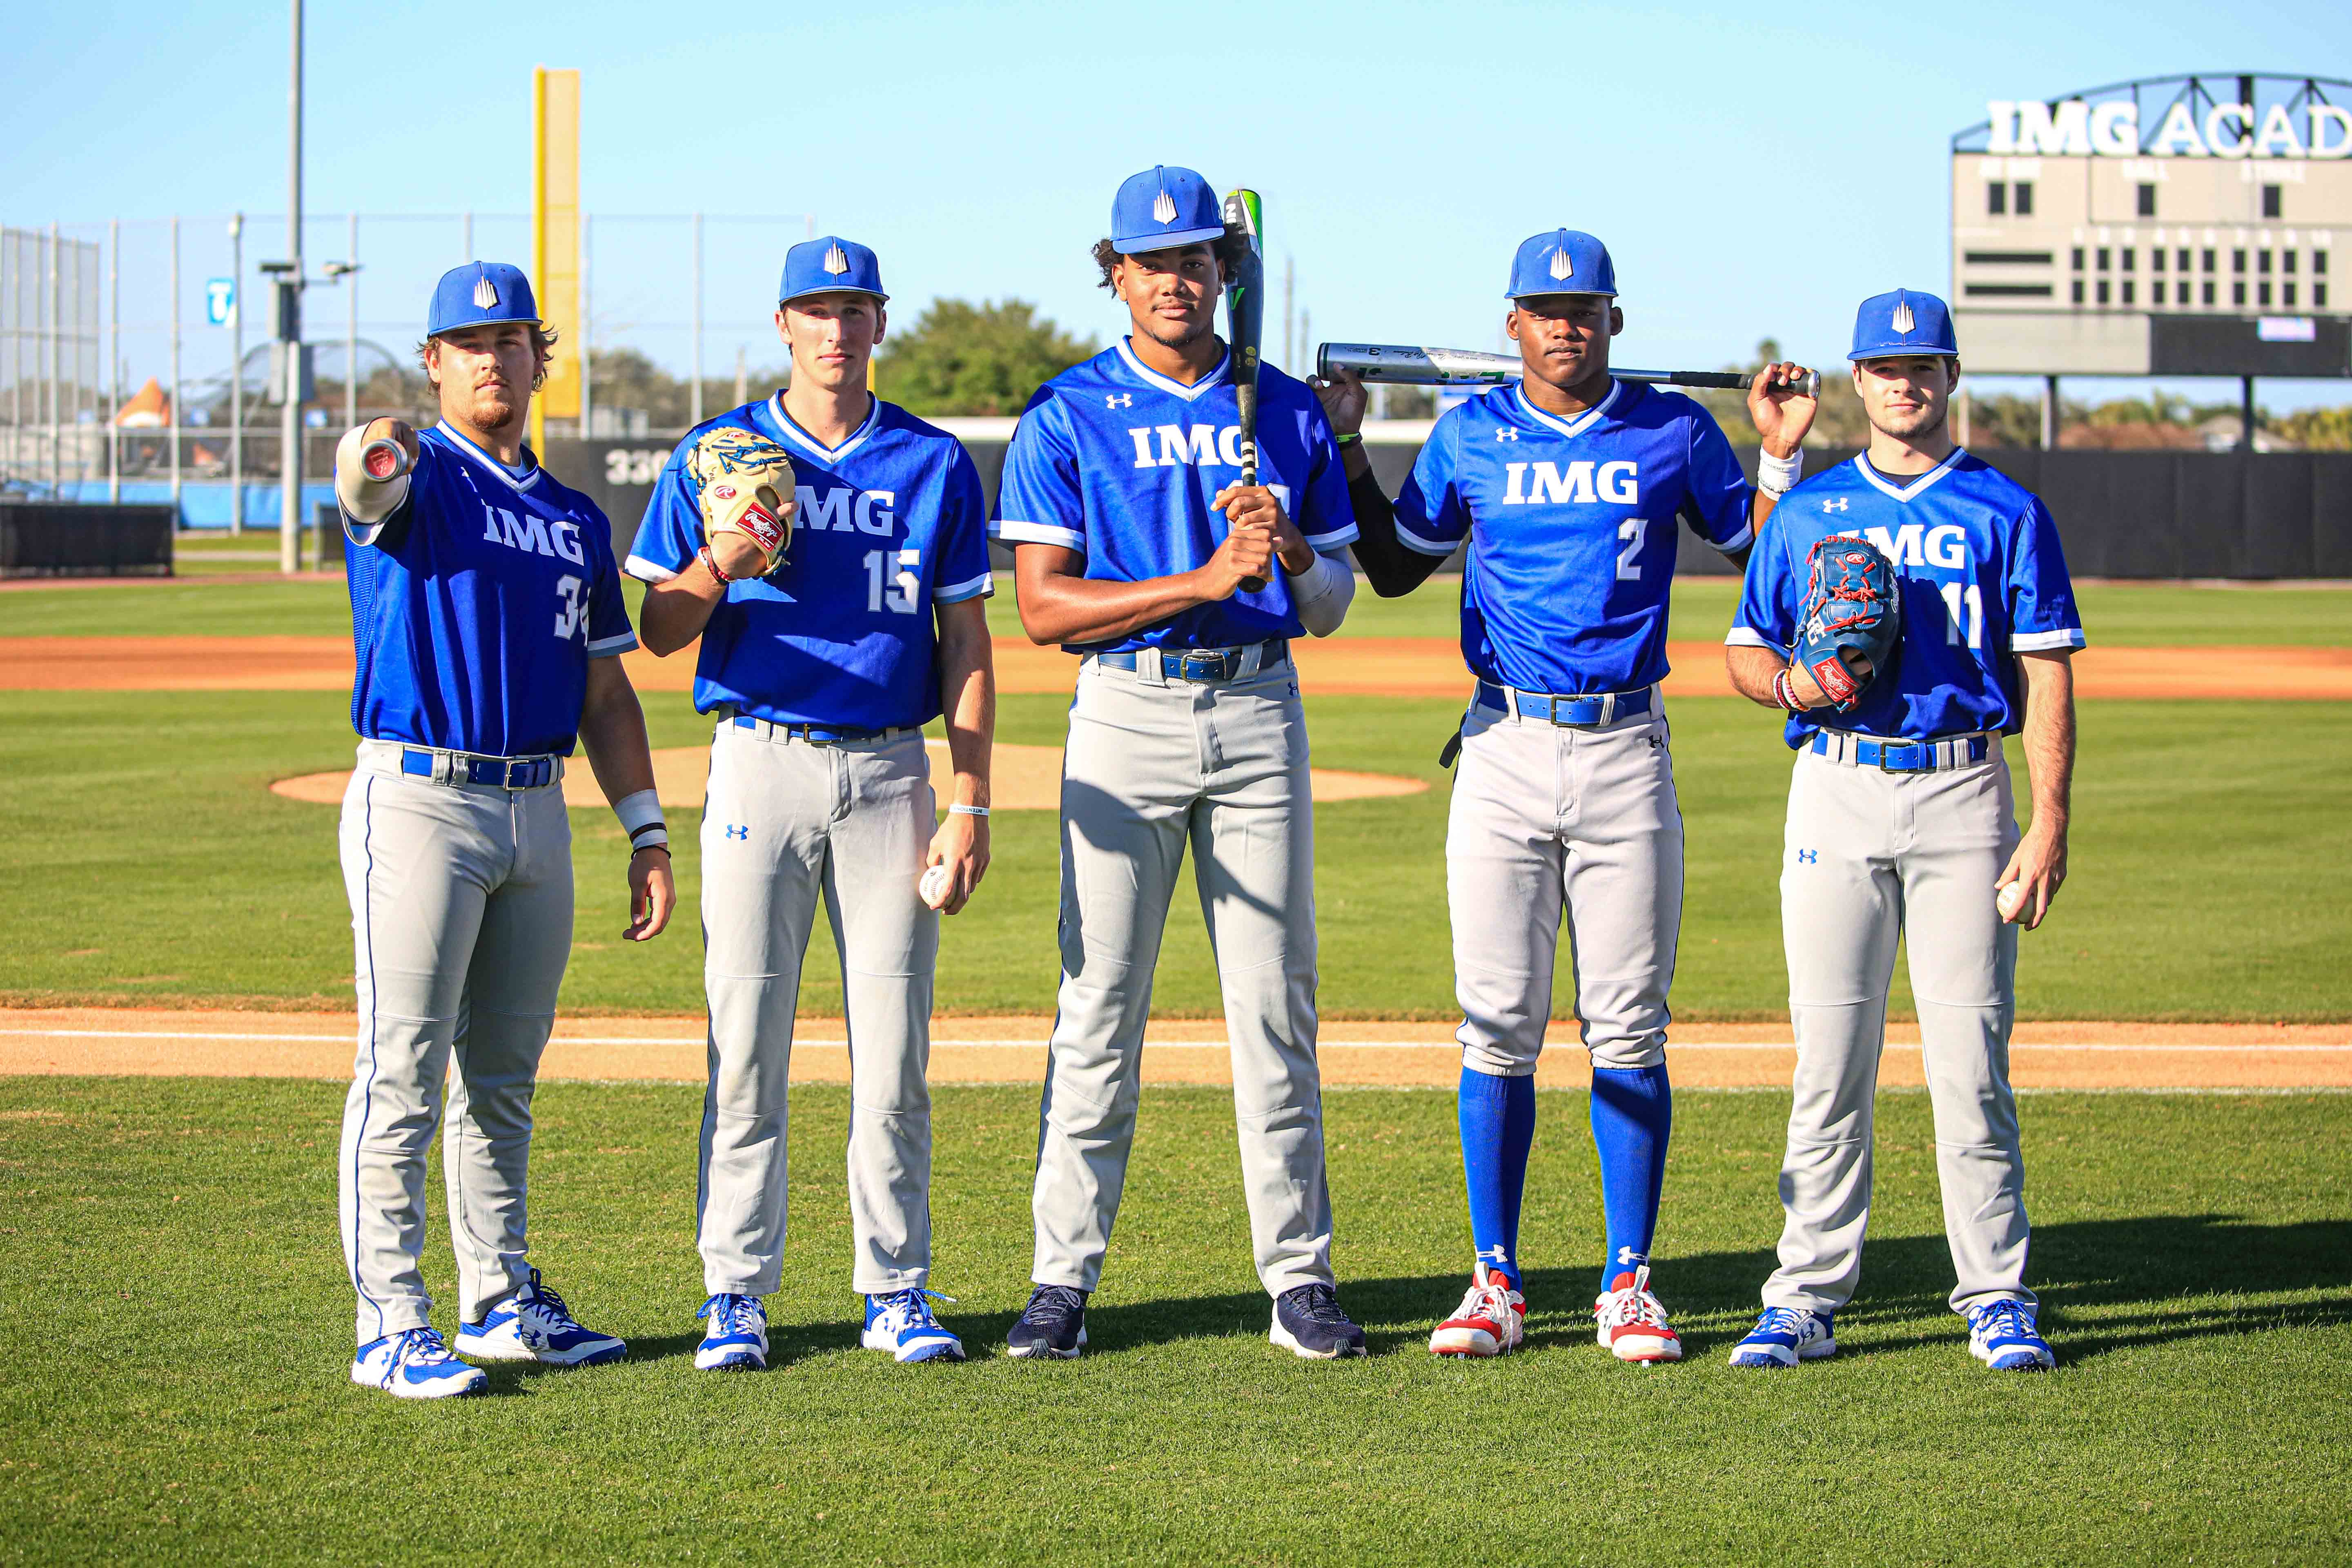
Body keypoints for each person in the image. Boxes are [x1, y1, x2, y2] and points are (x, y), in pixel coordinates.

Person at [1327, 229, 1815, 1361]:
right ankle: (1494, 1279)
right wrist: (1350, 445)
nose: (1565, 325)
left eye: (1583, 307)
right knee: (1497, 1023)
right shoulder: (1471, 434)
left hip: (1626, 745)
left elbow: (1759, 551)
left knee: (1629, 1024)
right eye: (1544, 308)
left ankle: (1629, 1281)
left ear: (1613, 319)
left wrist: (1780, 455)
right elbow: (1400, 567)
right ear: (1512, 322)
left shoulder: (1675, 429)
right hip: (1502, 741)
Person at [992, 165, 1365, 1359]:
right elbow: (1044, 613)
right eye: (1152, 263)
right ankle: (1061, 1280)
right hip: (1124, 717)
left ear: (1224, 272)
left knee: (1275, 1006)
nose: (1175, 281)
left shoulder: (1290, 410)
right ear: (1116, 273)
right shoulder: (1067, 413)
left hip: (1259, 715)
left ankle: (1298, 1277)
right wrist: (1200, 581)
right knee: (1098, 1006)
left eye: (1197, 261)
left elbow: (1332, 607)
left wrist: (1294, 546)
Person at [628, 237, 996, 1370]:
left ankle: (895, 1286)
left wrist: (972, 795)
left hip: (891, 771)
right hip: (760, 758)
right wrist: (720, 561)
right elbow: (655, 632)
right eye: (816, 310)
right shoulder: (717, 453)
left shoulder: (932, 464)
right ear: (784, 324)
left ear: (880, 325)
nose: (837, 331)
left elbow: (968, 640)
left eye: (856, 311)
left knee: (894, 1051)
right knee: (747, 1040)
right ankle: (734, 1291)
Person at [1721, 288, 2079, 1372]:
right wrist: (1792, 683)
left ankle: (1995, 1293)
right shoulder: (1811, 512)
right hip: (1837, 785)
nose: (1905, 384)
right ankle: (1806, 1295)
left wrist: (2050, 814)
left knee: (1972, 1063)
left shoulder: (2005, 510)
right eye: (1885, 368)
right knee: (1830, 1062)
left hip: (1966, 790)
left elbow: (2047, 669)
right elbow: (1743, 649)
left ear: (1950, 377)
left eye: (1923, 366)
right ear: (1860, 382)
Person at [334, 261, 674, 1399]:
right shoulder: (419, 479)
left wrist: (645, 830)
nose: (491, 357)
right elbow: (365, 476)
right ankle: (390, 1318)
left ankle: (498, 1301)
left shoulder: (576, 518)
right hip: (422, 797)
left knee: (505, 1081)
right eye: (465, 341)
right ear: (433, 362)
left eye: (510, 338)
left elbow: (608, 693)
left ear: (540, 357)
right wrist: (378, 441)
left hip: (538, 808)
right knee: (403, 1070)